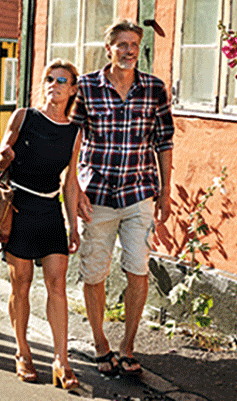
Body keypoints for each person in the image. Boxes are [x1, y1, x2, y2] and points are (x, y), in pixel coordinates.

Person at [74, 20, 174, 376]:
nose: (129, 51)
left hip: (139, 193)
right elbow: (72, 141)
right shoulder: (86, 87)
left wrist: (165, 191)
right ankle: (101, 344)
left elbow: (164, 141)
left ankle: (128, 346)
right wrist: (74, 190)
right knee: (94, 273)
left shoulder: (154, 89)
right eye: (122, 45)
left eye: (134, 45)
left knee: (138, 269)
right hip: (96, 195)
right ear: (109, 49)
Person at [0, 59, 82, 389]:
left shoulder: (74, 132)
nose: (54, 85)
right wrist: (3, 157)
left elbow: (70, 182)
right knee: (22, 284)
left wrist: (73, 225)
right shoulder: (24, 117)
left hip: (50, 212)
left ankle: (61, 360)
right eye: (49, 79)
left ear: (72, 90)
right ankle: (23, 351)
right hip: (19, 208)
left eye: (62, 80)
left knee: (57, 286)